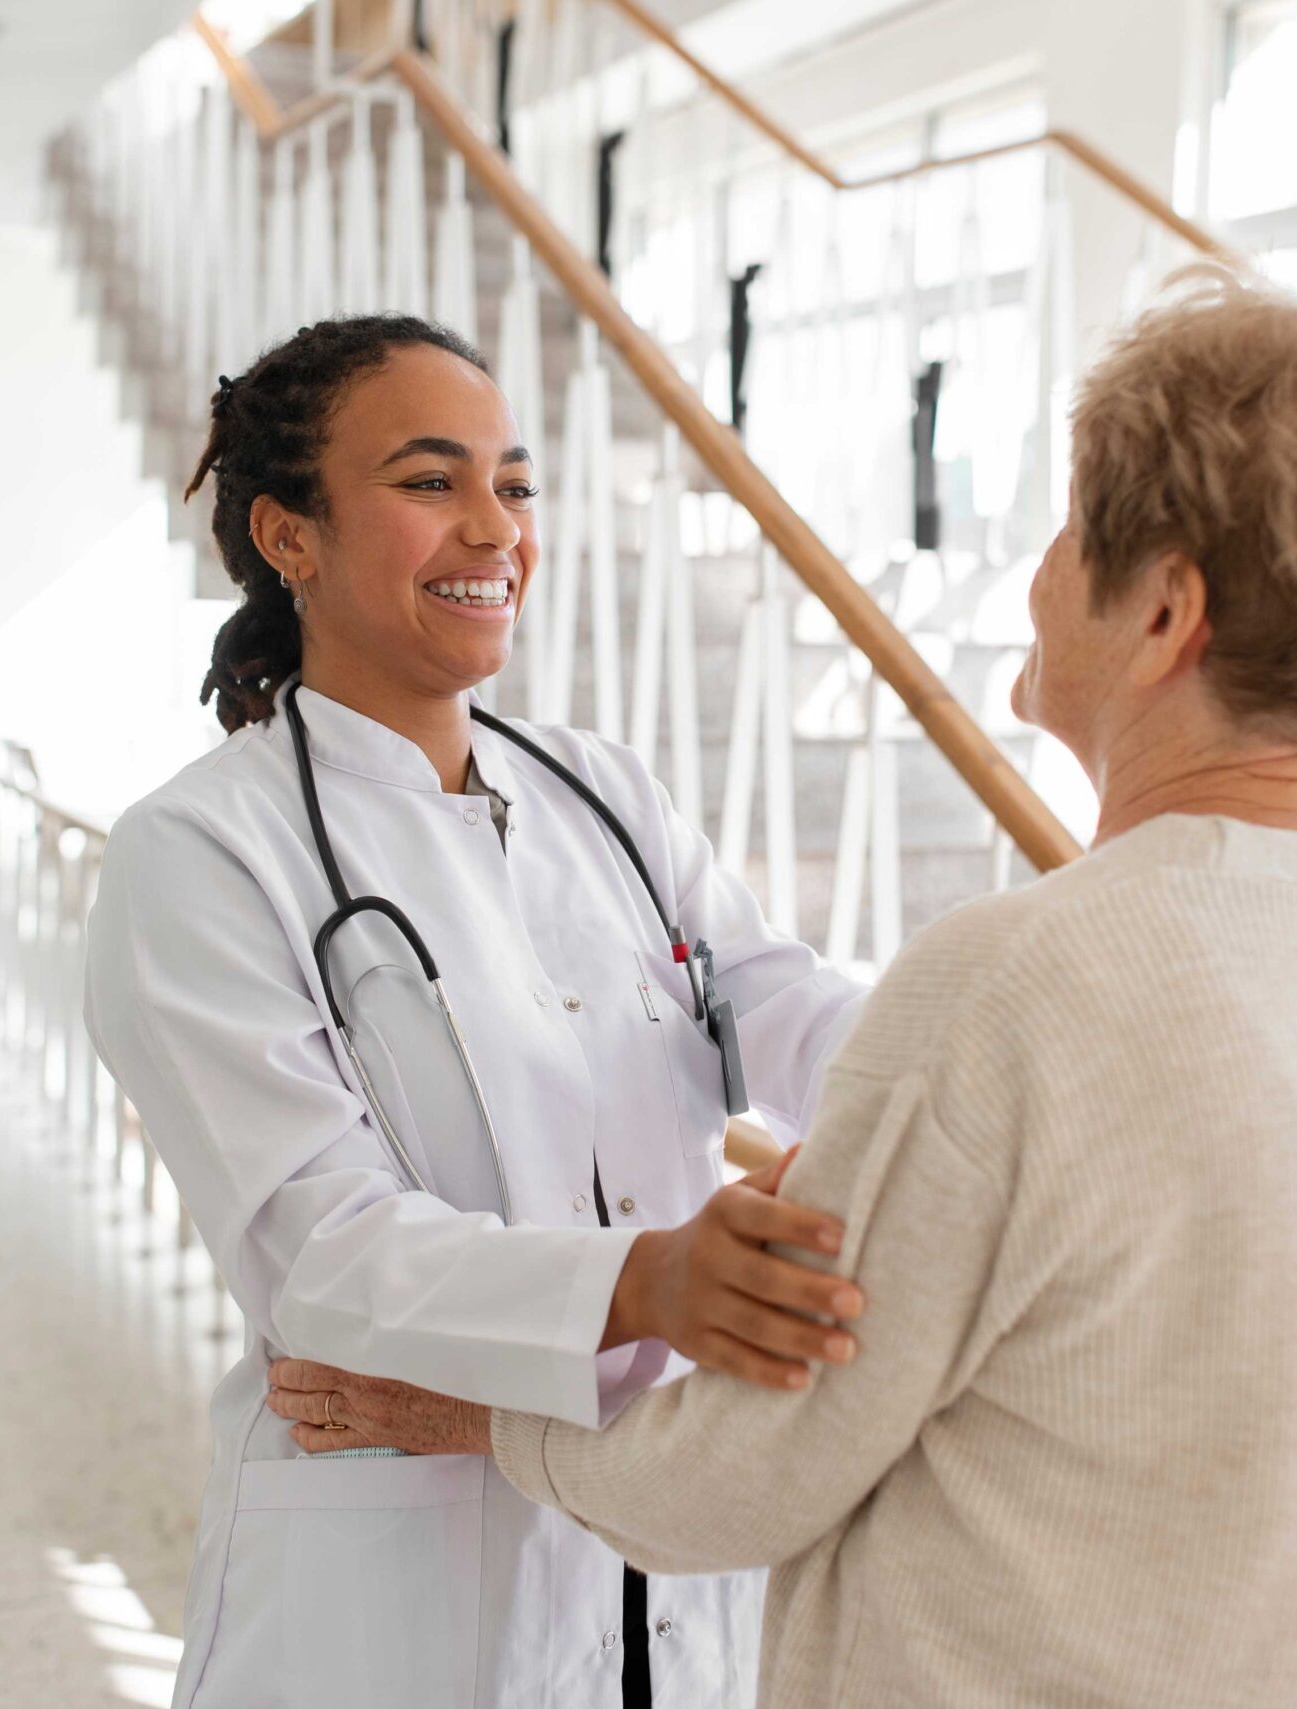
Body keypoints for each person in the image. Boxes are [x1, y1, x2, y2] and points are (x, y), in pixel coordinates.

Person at [274, 268, 1297, 1708]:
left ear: (1165, 614)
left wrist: (490, 1420)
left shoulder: (1016, 982)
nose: (1038, 570)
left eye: (1076, 533)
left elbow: (740, 1480)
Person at [82, 315, 872, 1709]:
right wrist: (651, 1283)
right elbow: (320, 1255)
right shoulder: (200, 854)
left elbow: (776, 1000)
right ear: (290, 535)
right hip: (396, 1597)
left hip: (662, 1555)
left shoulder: (604, 792)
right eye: (431, 481)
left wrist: (959, 1073)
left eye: (514, 484)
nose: (494, 528)